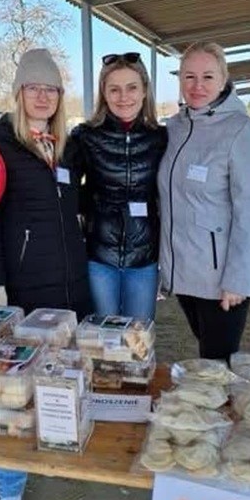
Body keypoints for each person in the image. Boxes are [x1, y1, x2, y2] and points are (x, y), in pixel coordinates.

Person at [0, 48, 91, 500]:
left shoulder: (67, 146)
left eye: (51, 89)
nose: (42, 96)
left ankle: (59, 447)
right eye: (33, 88)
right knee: (11, 395)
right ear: (19, 93)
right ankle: (10, 490)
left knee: (62, 378)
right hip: (23, 290)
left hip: (71, 287)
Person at [157, 41, 250, 361]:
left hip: (220, 277)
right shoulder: (174, 128)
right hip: (183, 272)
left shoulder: (243, 132)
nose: (197, 86)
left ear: (223, 80)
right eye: (189, 77)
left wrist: (238, 279)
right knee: (206, 353)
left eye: (207, 77)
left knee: (218, 362)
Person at [66, 53, 167, 320]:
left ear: (144, 90)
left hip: (144, 258)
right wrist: (90, 209)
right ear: (104, 93)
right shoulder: (85, 136)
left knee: (138, 336)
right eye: (114, 89)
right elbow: (66, 190)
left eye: (132, 87)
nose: (124, 97)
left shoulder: (161, 138)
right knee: (101, 335)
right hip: (99, 259)